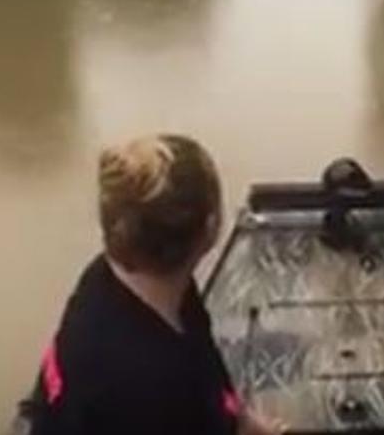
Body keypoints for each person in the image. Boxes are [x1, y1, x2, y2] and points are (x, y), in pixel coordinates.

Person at [26, 134, 284, 435]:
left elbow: (205, 372)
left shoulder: (112, 277)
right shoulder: (156, 386)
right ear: (211, 226)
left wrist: (245, 424)